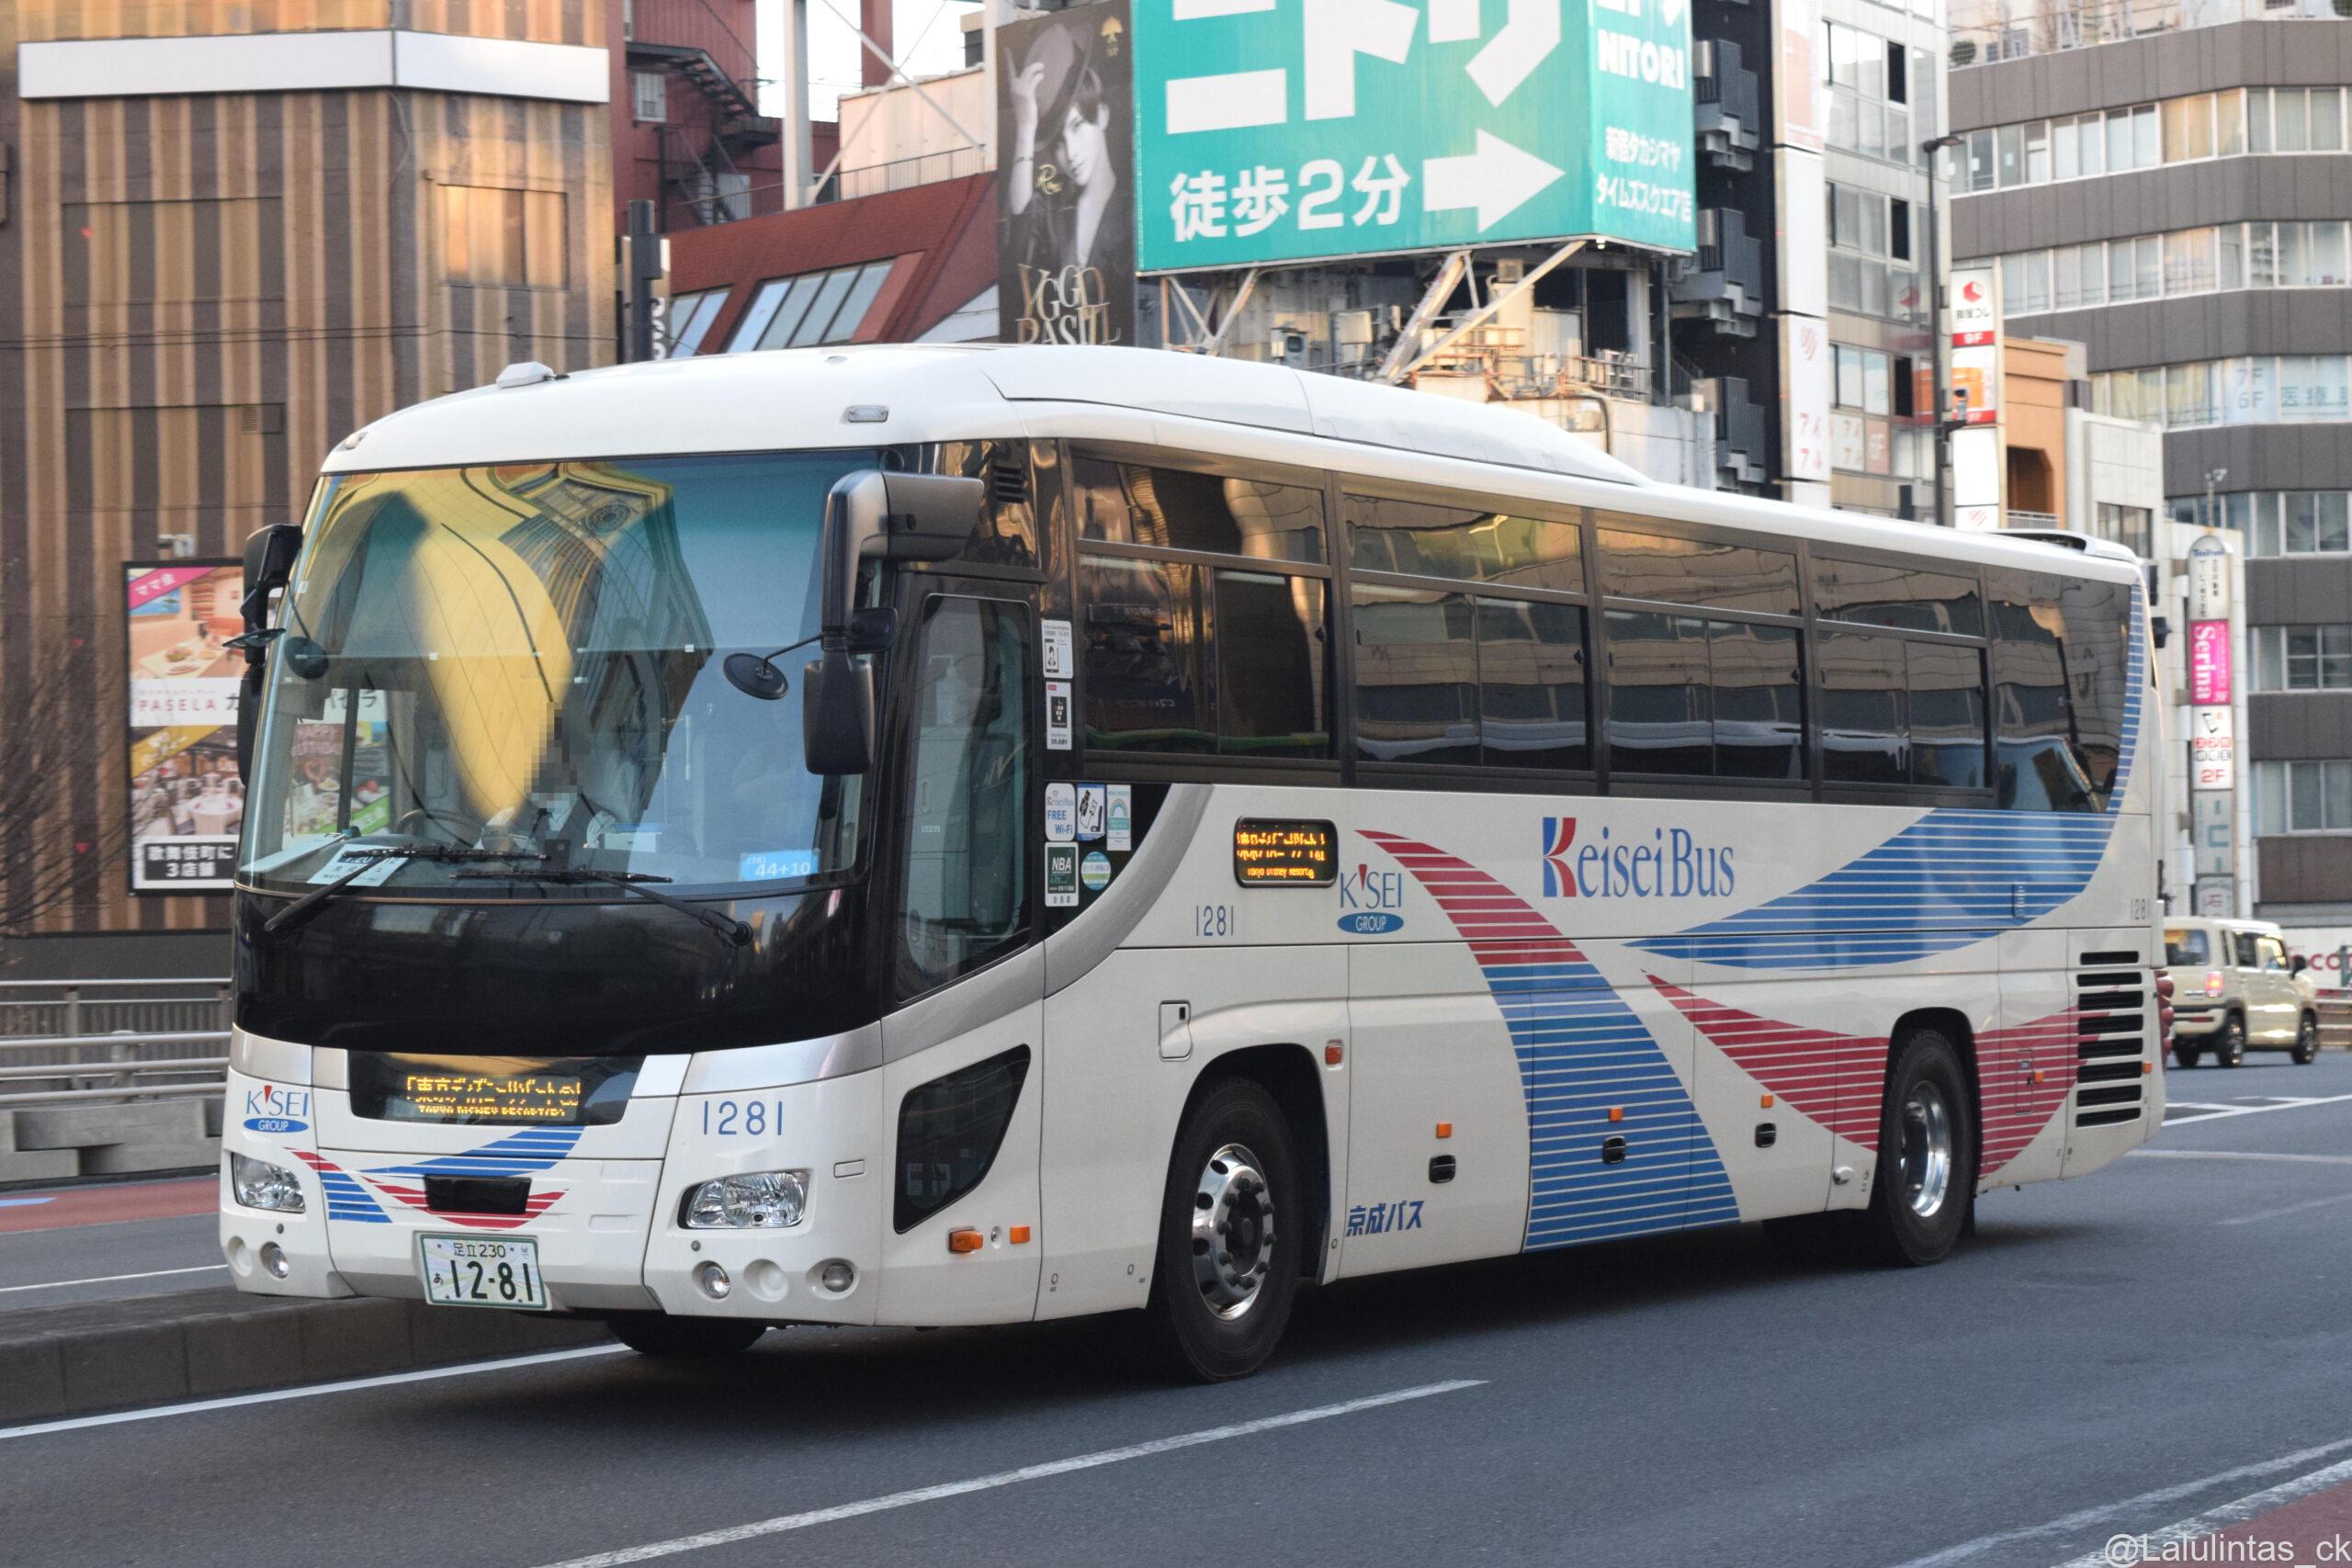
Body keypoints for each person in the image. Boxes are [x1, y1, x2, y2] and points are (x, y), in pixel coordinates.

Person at [1004, 14, 1130, 339]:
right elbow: (1019, 233)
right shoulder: (1055, 212)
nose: (1071, 153)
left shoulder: (1136, 211)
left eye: (1077, 126)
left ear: (1102, 115)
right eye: (1058, 142)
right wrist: (1025, 129)